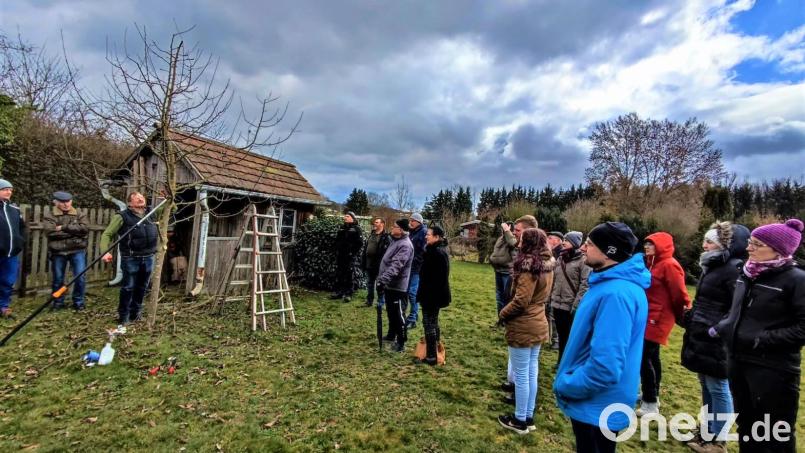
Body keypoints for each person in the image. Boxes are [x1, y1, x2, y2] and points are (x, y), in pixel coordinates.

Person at [554, 222, 649, 453]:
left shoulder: (616, 294)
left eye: (589, 244)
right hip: (599, 404)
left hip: (597, 405)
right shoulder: (608, 284)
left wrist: (568, 384)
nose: (584, 248)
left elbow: (605, 366)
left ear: (609, 252)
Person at [713, 218, 805, 453]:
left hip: (773, 370)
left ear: (778, 250)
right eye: (750, 242)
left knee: (775, 435)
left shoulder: (796, 280)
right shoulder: (747, 274)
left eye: (756, 244)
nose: (748, 247)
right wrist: (726, 328)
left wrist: (761, 339)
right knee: (747, 427)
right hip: (738, 361)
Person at [680, 222, 748, 453]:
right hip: (702, 335)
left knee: (718, 388)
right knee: (706, 386)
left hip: (717, 339)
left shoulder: (734, 269)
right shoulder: (713, 266)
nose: (704, 245)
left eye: (710, 242)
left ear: (723, 246)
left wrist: (718, 328)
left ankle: (719, 441)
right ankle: (707, 432)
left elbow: (737, 308)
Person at [497, 228, 554, 434]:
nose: (518, 243)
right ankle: (527, 416)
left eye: (521, 240)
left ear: (528, 243)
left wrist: (503, 314)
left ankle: (519, 419)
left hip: (524, 324)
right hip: (539, 321)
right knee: (531, 371)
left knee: (522, 374)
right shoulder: (547, 265)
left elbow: (521, 301)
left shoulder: (528, 267)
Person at [637, 232, 691, 416]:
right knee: (651, 358)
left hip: (658, 318)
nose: (647, 247)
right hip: (648, 315)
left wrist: (682, 314)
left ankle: (650, 402)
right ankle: (650, 394)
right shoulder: (652, 263)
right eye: (646, 244)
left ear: (662, 246)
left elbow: (679, 294)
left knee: (645, 358)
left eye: (651, 244)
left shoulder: (669, 265)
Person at [100, 192, 165, 325]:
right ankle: (124, 316)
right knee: (128, 287)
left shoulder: (151, 214)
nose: (141, 199)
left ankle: (136, 314)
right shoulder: (122, 216)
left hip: (148, 257)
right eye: (137, 198)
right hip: (131, 257)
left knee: (142, 287)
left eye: (142, 197)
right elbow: (107, 234)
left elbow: (171, 207)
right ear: (130, 203)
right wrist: (104, 252)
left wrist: (169, 198)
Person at [500, 215, 538, 401]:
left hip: (525, 318)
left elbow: (522, 299)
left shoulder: (531, 263)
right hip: (525, 317)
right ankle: (513, 384)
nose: (516, 238)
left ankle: (521, 411)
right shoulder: (531, 259)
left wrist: (504, 312)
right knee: (524, 364)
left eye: (519, 233)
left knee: (526, 367)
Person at [43, 191, 89, 310]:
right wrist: (74, 233)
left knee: (80, 277)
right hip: (58, 251)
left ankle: (78, 302)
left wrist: (63, 228)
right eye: (62, 202)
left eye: (68, 201)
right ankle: (58, 303)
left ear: (71, 201)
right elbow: (50, 232)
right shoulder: (50, 215)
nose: (65, 204)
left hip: (77, 250)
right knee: (58, 278)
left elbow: (84, 230)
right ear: (55, 202)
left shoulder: (79, 214)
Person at [550, 231, 590, 366]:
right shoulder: (560, 258)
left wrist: (576, 305)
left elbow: (585, 285)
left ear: (574, 243)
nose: (563, 242)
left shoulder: (583, 261)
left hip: (570, 306)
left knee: (569, 337)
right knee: (562, 336)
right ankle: (561, 361)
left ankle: (568, 363)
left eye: (566, 240)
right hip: (557, 303)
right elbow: (554, 280)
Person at [376, 218, 414, 353]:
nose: (392, 228)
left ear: (402, 230)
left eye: (395, 226)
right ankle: (392, 335)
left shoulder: (405, 245)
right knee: (391, 312)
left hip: (398, 286)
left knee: (398, 314)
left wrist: (383, 280)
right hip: (389, 285)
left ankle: (401, 342)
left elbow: (396, 265)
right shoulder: (395, 241)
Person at [415, 226, 451, 366]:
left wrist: (429, 295)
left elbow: (439, 278)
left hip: (432, 295)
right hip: (432, 294)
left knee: (428, 323)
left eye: (428, 234)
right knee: (433, 322)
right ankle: (434, 350)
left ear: (436, 237)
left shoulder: (437, 253)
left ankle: (431, 356)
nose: (426, 236)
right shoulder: (433, 251)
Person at [0, 179, 26, 318]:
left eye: (10, 190)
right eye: (5, 189)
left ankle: (3, 306)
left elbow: (22, 227)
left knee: (8, 281)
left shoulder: (14, 209)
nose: (9, 192)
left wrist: (20, 241)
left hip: (11, 254)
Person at [330, 211, 364, 302]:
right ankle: (339, 292)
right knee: (340, 273)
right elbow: (337, 240)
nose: (345, 217)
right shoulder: (342, 228)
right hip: (341, 255)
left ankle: (349, 293)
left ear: (352, 218)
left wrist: (352, 253)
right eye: (345, 216)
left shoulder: (356, 229)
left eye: (347, 216)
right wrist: (337, 249)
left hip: (350, 256)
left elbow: (360, 243)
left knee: (349, 274)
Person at [362, 217, 391, 308]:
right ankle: (369, 301)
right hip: (369, 263)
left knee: (380, 284)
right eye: (375, 222)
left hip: (378, 265)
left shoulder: (386, 237)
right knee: (369, 283)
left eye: (377, 222)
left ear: (382, 224)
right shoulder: (372, 234)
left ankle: (380, 303)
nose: (375, 223)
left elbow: (387, 252)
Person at [489, 221, 517, 316]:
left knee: (507, 297)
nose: (503, 230)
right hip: (498, 271)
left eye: (505, 228)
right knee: (499, 297)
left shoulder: (513, 238)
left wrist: (507, 232)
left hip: (507, 273)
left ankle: (506, 320)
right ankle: (500, 319)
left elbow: (513, 243)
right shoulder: (500, 239)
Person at [405, 212, 427, 329]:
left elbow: (424, 252)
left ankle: (413, 318)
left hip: (417, 269)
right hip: (409, 268)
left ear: (419, 222)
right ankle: (413, 315)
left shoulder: (423, 233)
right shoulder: (411, 233)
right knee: (407, 292)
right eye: (410, 220)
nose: (410, 222)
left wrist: (414, 261)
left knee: (412, 293)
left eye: (413, 220)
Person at [546, 231, 565, 349]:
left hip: (558, 289)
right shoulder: (551, 251)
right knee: (548, 313)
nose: (547, 239)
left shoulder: (561, 254)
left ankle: (556, 340)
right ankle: (549, 337)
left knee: (553, 315)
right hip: (550, 287)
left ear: (557, 241)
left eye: (550, 238)